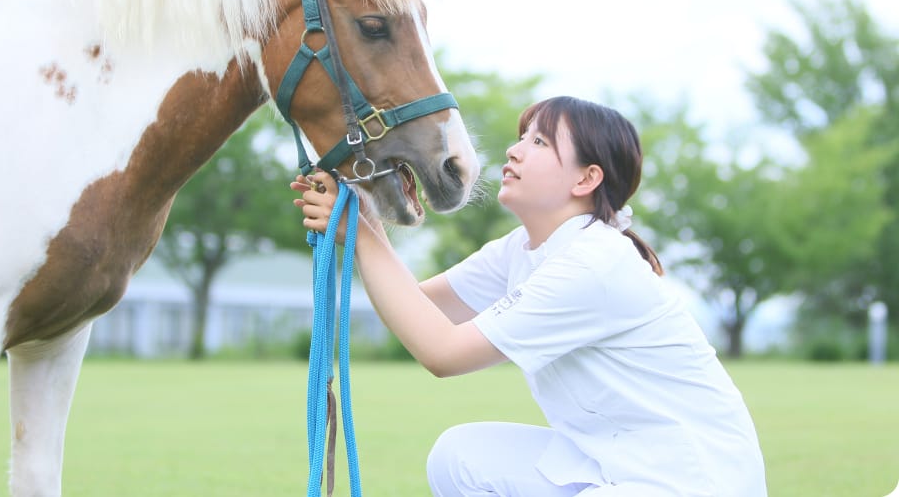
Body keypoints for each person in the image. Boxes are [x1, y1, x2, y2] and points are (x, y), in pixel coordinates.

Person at [291, 96, 767, 496]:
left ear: (586, 180)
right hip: (609, 463)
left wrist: (367, 234)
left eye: (538, 142)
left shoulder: (593, 263)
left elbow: (443, 352)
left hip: (690, 479)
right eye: (522, 137)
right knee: (460, 458)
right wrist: (366, 205)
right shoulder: (521, 249)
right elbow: (420, 309)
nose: (514, 150)